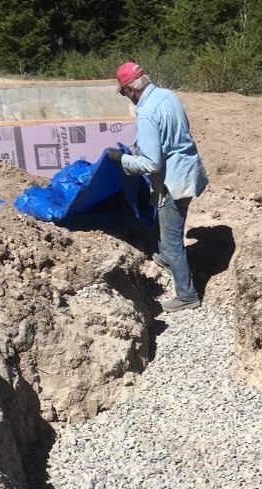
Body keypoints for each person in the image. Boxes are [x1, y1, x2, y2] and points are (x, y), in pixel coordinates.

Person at [105, 62, 208, 314]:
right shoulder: (167, 95)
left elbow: (152, 163)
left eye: (123, 93)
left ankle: (187, 294)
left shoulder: (147, 112)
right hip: (187, 170)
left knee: (173, 241)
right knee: (164, 217)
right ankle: (165, 256)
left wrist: (122, 160)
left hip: (173, 180)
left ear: (130, 90)